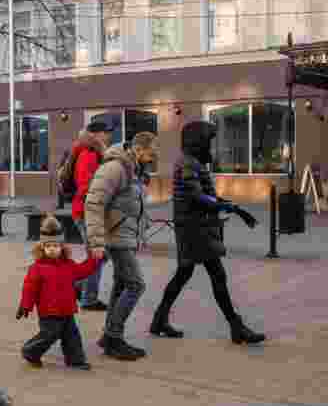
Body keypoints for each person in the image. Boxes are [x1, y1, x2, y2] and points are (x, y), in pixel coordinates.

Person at [149, 121, 266, 345]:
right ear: (197, 142)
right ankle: (236, 326)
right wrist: (230, 207)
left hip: (195, 227)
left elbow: (203, 194)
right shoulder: (188, 163)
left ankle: (159, 320)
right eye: (208, 141)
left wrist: (231, 206)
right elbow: (197, 197)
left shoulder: (191, 162)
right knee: (217, 275)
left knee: (184, 274)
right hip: (195, 229)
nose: (210, 146)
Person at [84, 131, 159, 360]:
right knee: (136, 285)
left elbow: (134, 205)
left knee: (121, 285)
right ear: (138, 149)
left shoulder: (134, 169)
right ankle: (114, 338)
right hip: (115, 237)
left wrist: (141, 234)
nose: (154, 155)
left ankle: (109, 336)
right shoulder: (115, 168)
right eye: (151, 151)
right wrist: (96, 241)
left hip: (124, 235)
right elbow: (94, 202)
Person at [17, 214, 100, 370]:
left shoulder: (68, 264)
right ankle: (30, 351)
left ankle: (76, 360)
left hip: (67, 309)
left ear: (62, 247)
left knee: (72, 336)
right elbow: (30, 288)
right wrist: (25, 305)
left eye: (56, 246)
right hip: (49, 311)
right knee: (49, 334)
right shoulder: (37, 268)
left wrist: (94, 259)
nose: (52, 249)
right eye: (48, 247)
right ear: (42, 248)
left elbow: (82, 271)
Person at [71, 117, 114, 311]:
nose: (108, 135)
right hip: (87, 211)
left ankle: (78, 285)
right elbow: (86, 185)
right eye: (105, 132)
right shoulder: (88, 154)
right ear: (96, 135)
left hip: (92, 210)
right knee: (97, 254)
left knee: (101, 254)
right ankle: (89, 298)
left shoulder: (96, 153)